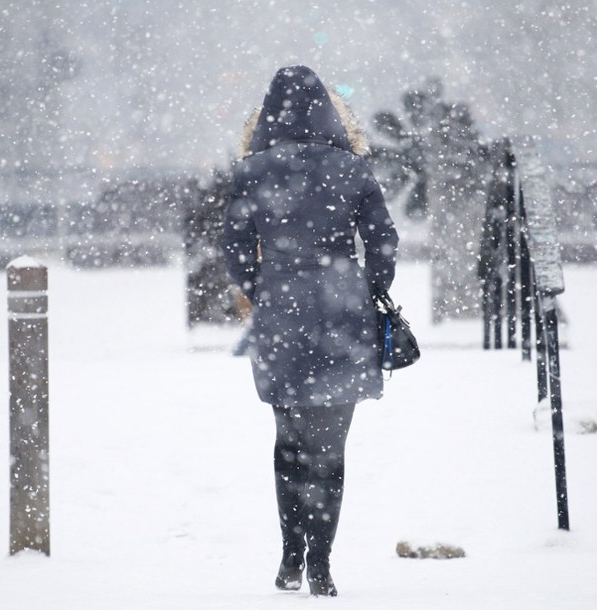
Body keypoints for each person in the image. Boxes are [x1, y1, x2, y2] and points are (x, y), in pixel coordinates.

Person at [221, 65, 398, 597]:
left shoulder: (252, 172)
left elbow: (232, 249)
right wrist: (368, 289)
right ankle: (321, 564)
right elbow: (383, 240)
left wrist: (264, 285)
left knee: (289, 442)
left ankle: (290, 557)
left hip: (281, 317)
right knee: (331, 449)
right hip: (343, 313)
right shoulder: (352, 169)